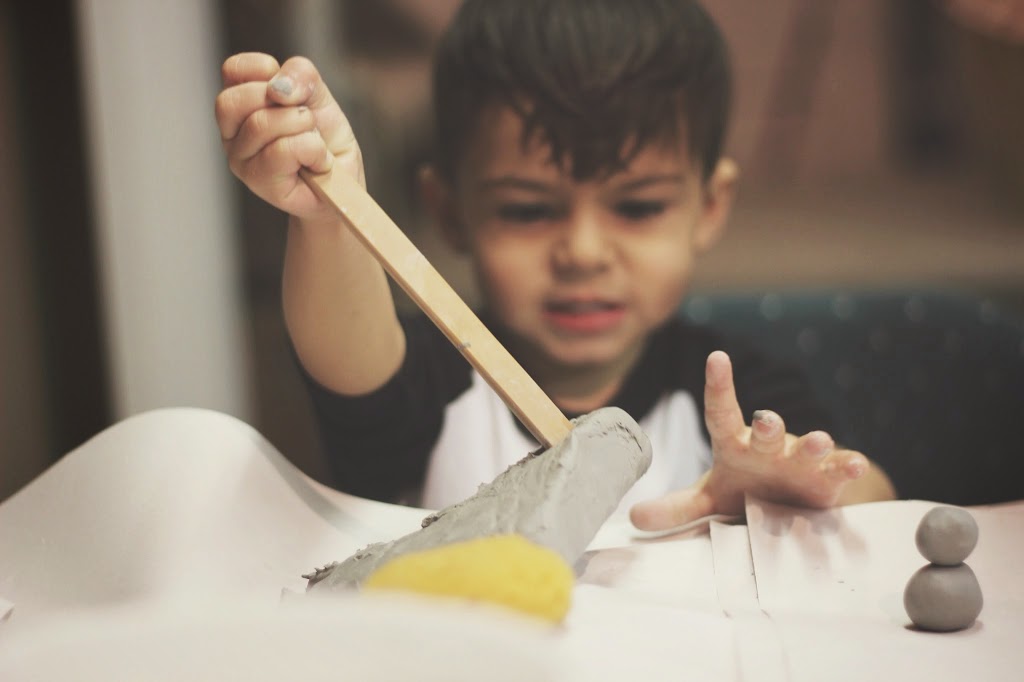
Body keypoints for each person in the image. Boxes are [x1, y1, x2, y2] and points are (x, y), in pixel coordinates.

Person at [215, 0, 896, 531]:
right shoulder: (427, 383)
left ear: (710, 206)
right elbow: (345, 346)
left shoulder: (738, 396)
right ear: (449, 211)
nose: (584, 253)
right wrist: (331, 213)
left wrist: (789, 491)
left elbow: (873, 497)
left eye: (637, 207)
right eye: (528, 210)